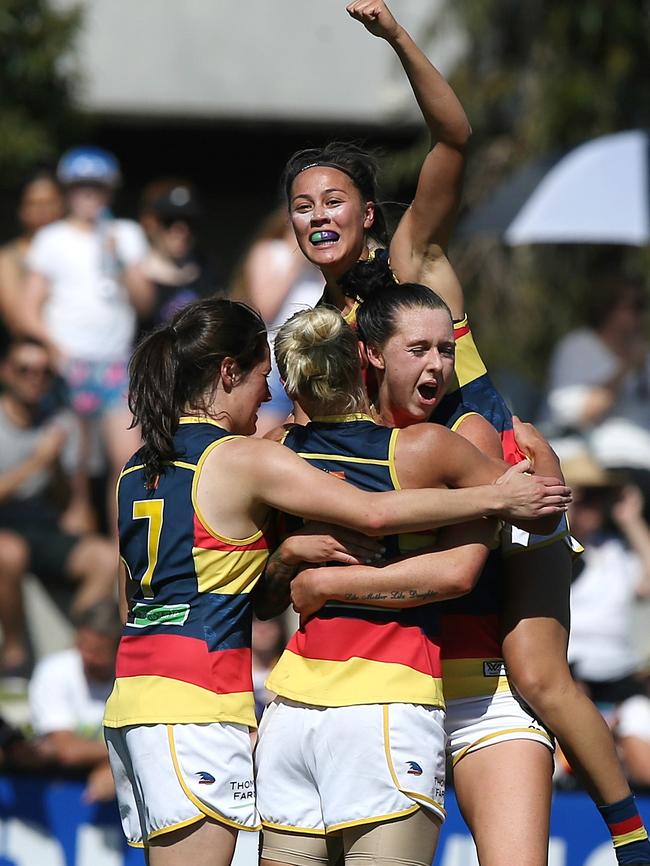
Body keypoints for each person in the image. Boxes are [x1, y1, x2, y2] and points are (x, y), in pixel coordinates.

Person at [102, 298, 565, 866]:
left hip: (161, 700)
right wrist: (496, 495)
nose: (263, 402)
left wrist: (293, 554)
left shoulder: (136, 464)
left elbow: (132, 594)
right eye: (257, 381)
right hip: (230, 699)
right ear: (228, 373)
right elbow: (372, 515)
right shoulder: (249, 456)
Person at [255, 305, 568, 866]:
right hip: (383, 705)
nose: (435, 365)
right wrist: (505, 488)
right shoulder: (427, 446)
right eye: (418, 349)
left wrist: (310, 570)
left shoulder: (278, 452)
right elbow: (534, 514)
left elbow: (270, 601)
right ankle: (630, 835)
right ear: (366, 358)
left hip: (293, 707)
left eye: (443, 349)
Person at [20, 146, 153, 530]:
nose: (88, 194)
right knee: (73, 468)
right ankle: (80, 559)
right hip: (69, 364)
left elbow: (144, 301)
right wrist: (54, 348)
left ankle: (121, 555)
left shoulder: (126, 234)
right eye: (80, 187)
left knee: (127, 462)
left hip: (115, 363)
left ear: (110, 190)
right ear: (67, 191)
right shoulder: (51, 239)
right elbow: (30, 306)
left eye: (97, 187)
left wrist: (122, 262)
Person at [0, 337, 117, 679]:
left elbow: (68, 504)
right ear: (7, 372)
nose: (35, 378)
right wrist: (37, 463)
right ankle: (16, 651)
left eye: (44, 371)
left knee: (103, 557)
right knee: (8, 553)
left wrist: (55, 469)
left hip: (45, 526)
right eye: (25, 370)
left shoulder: (62, 423)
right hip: (6, 528)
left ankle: (78, 648)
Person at [230, 208, 322, 434]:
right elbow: (264, 308)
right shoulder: (268, 252)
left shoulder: (324, 263)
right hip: (276, 367)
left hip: (316, 367)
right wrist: (297, 258)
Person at [29, 599, 121, 803]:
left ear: (118, 651)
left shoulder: (132, 679)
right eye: (82, 645)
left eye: (98, 651)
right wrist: (120, 760)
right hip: (53, 786)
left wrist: (115, 770)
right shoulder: (55, 670)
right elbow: (68, 751)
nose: (86, 656)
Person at [139, 179, 220, 333]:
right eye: (169, 220)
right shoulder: (135, 273)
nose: (181, 230)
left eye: (189, 221)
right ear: (150, 223)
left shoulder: (207, 268)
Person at [0, 170, 64, 343]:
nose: (43, 210)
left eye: (50, 202)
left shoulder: (78, 247)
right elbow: (16, 321)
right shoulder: (8, 258)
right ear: (22, 211)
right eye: (34, 204)